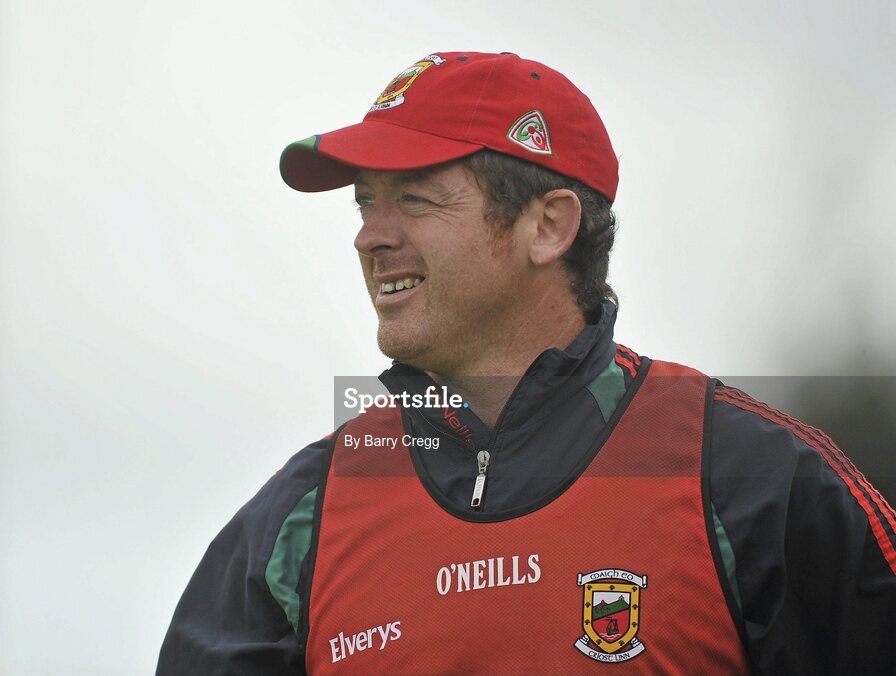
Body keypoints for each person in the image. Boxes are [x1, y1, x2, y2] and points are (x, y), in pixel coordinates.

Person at [156, 51, 896, 674]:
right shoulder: (298, 521)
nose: (369, 238)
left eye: (415, 200)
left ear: (549, 226)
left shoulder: (757, 481)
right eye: (364, 204)